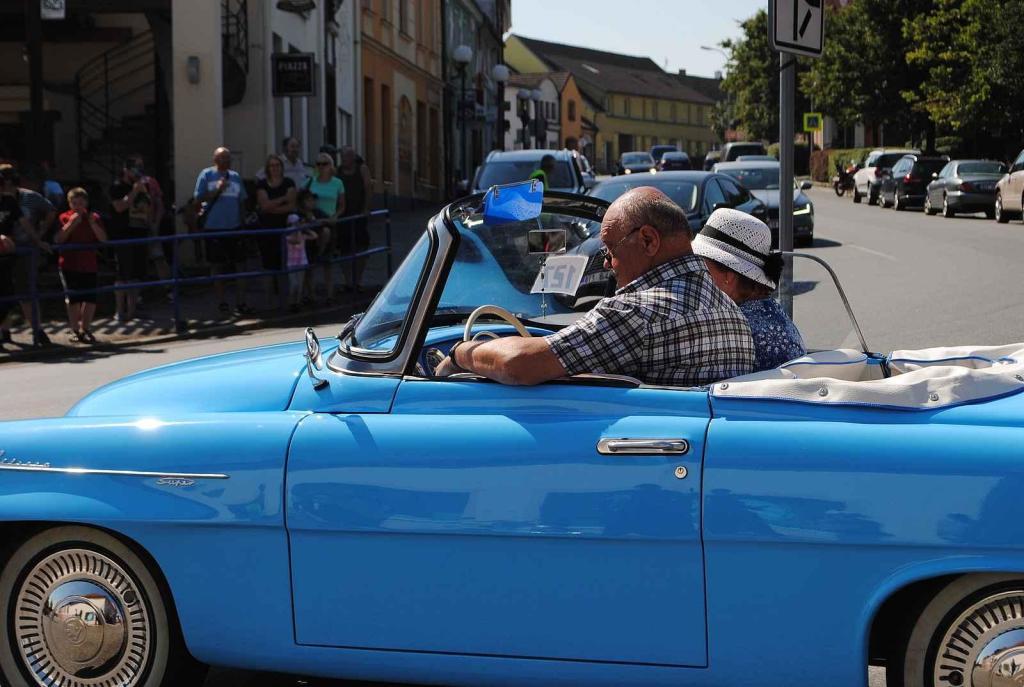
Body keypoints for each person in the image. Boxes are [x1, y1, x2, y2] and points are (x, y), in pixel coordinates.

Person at [435, 187, 756, 386]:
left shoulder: (636, 312)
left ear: (648, 240)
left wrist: (461, 353)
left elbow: (519, 364)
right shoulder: (731, 311)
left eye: (609, 251)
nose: (606, 264)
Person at [692, 208, 806, 371]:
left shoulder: (733, 327)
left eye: (702, 265)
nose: (696, 272)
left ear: (729, 277)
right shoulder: (768, 310)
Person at [0, 164, 54, 346]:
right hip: (5, 249)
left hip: (21, 250)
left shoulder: (21, 199)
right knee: (4, 292)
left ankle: (37, 331)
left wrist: (39, 238)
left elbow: (28, 221)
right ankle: (4, 331)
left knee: (25, 291)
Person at [194, 146, 252, 315]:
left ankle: (241, 302)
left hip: (235, 228)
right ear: (215, 160)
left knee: (240, 265)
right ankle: (222, 302)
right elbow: (198, 198)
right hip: (213, 228)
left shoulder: (235, 177)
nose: (226, 161)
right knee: (217, 266)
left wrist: (243, 224)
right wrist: (217, 190)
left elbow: (242, 201)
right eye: (222, 158)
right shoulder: (206, 175)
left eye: (228, 158)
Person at [55, 187, 107, 343]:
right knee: (73, 299)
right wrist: (72, 223)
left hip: (89, 263)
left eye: (81, 203)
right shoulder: (64, 217)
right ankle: (75, 329)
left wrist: (92, 224)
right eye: (75, 203)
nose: (78, 206)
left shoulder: (94, 217)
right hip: (69, 263)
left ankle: (86, 328)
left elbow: (103, 239)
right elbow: (59, 239)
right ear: (70, 204)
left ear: (86, 203)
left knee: (90, 298)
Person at [255, 154, 296, 306]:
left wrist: (271, 207)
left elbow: (291, 206)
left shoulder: (289, 182)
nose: (275, 168)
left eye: (277, 165)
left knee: (284, 265)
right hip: (266, 230)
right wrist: (283, 199)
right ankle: (268, 301)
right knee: (268, 266)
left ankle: (285, 301)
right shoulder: (262, 184)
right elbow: (264, 205)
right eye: (271, 166)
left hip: (285, 229)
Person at [306, 152, 344, 301]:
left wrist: (336, 216)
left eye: (325, 164)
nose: (322, 167)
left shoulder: (337, 183)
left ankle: (329, 295)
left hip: (328, 221)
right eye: (319, 164)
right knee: (309, 262)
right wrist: (308, 214)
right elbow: (301, 199)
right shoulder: (310, 182)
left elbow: (342, 205)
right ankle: (310, 294)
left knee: (327, 262)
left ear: (331, 166)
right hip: (313, 223)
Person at [337, 145, 372, 292]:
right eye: (342, 157)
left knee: (361, 246)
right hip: (343, 215)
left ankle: (357, 280)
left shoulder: (361, 169)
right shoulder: (338, 171)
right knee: (344, 248)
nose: (344, 159)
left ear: (353, 157)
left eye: (347, 156)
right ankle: (348, 281)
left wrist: (366, 208)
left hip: (359, 214)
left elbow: (368, 188)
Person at [294, 189, 332, 305]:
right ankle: (308, 295)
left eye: (312, 200)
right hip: (304, 247)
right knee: (306, 271)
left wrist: (319, 221)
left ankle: (328, 295)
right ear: (302, 202)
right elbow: (298, 226)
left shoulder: (317, 212)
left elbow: (330, 220)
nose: (312, 202)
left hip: (317, 246)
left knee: (326, 231)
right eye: (308, 200)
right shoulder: (298, 214)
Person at [284, 213, 318, 312]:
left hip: (302, 262)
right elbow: (296, 241)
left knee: (300, 284)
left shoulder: (302, 235)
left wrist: (306, 229)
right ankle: (291, 303)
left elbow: (315, 236)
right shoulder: (287, 236)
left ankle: (297, 303)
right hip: (291, 264)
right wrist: (298, 230)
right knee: (294, 284)